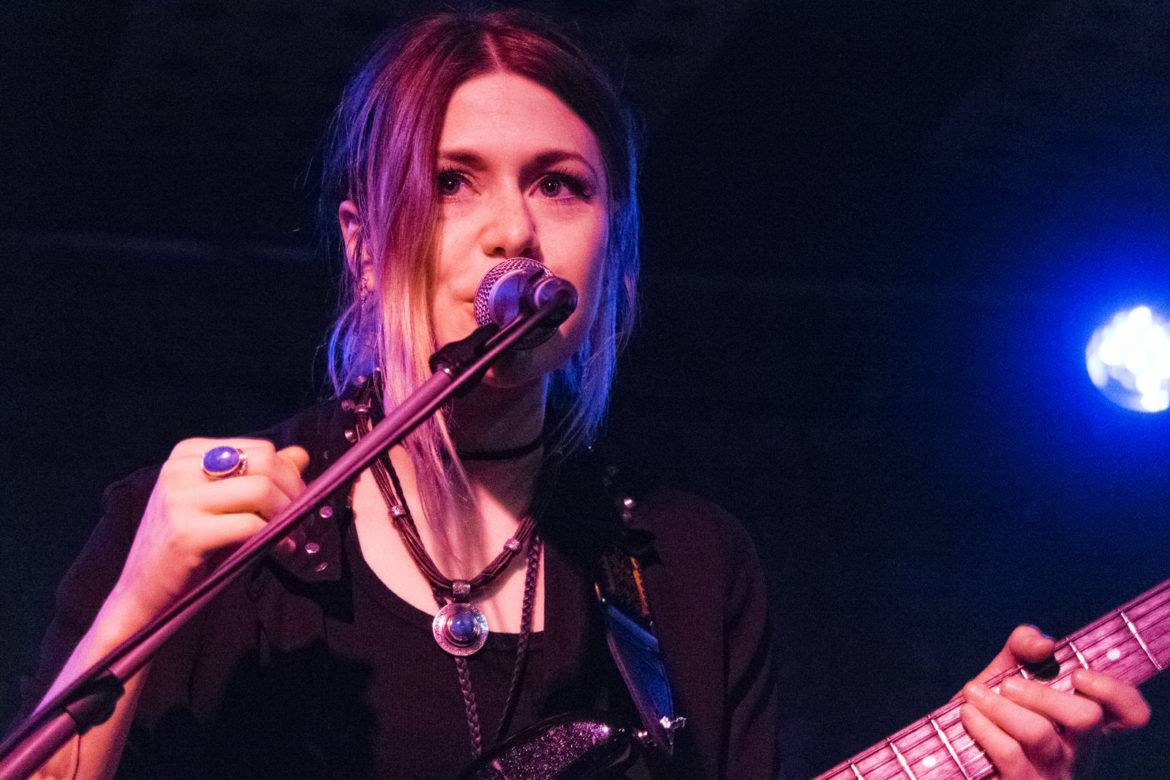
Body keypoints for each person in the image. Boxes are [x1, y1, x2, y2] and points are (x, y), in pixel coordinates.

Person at [15, 9, 1149, 780]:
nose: (512, 229)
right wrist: (139, 606)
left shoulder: (686, 567)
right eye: (450, 183)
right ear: (364, 245)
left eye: (560, 186)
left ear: (618, 258)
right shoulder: (210, 535)